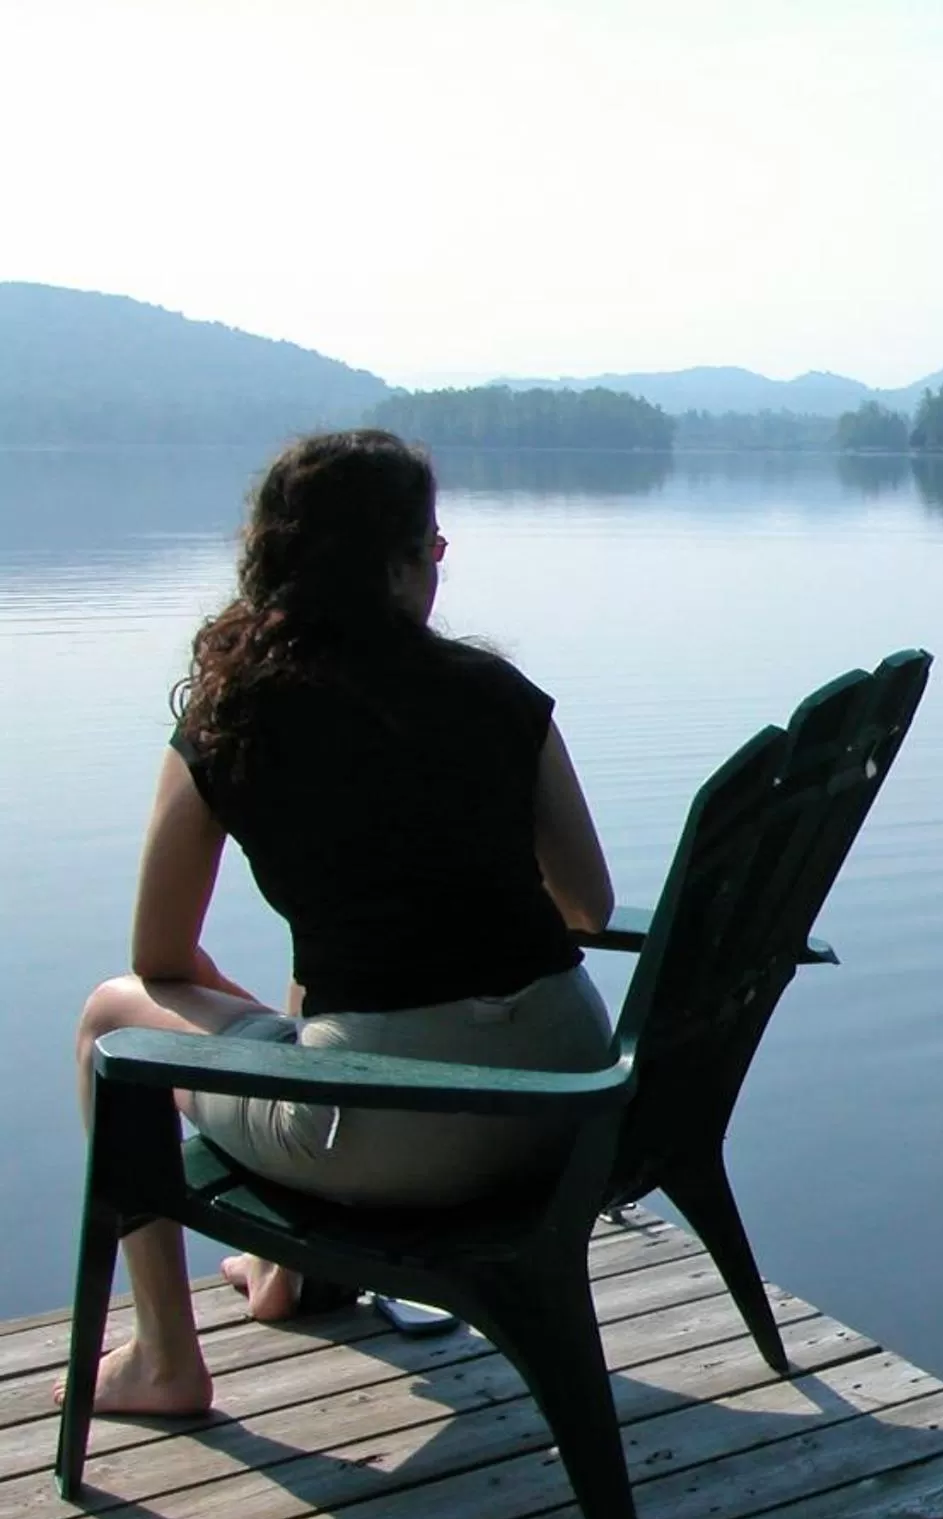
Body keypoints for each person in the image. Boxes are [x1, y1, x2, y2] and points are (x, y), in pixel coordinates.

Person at [60, 429, 618, 1417]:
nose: (439, 570)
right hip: (563, 1098)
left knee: (112, 1017)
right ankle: (288, 1277)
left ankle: (163, 1360)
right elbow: (587, 908)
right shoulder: (499, 695)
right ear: (403, 561)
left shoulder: (233, 719)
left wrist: (254, 1031)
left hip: (406, 1138)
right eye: (434, 548)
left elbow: (157, 958)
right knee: (324, 1008)